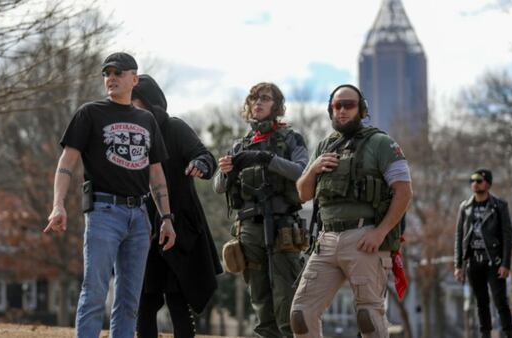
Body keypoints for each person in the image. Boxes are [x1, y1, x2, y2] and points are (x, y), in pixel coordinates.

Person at [44, 52, 176, 338]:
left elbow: (156, 174)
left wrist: (166, 218)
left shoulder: (147, 120)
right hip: (104, 212)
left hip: (140, 218)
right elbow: (66, 162)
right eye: (107, 73)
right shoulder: (90, 113)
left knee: (130, 300)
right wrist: (58, 205)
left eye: (118, 72)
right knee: (94, 292)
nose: (111, 78)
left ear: (134, 79)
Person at [290, 84, 412, 338]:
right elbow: (302, 193)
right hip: (326, 241)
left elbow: (404, 192)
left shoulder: (381, 143)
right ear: (330, 110)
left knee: (368, 317)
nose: (342, 110)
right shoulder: (325, 146)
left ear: (362, 109)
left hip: (364, 238)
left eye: (349, 105)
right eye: (337, 106)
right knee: (301, 315)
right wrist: (313, 169)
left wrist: (380, 233)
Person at [213, 82, 308, 337]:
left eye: (264, 98)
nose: (257, 103)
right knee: (260, 301)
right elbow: (219, 187)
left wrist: (268, 159)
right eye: (254, 98)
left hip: (282, 226)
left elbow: (302, 171)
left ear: (276, 106)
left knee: (286, 297)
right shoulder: (240, 144)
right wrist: (226, 170)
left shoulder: (290, 138)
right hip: (249, 230)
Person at [131, 74, 223, 338]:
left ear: (150, 104)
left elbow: (205, 155)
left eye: (135, 103)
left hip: (180, 223)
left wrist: (201, 165)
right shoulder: (127, 132)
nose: (131, 109)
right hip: (142, 224)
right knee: (145, 300)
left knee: (177, 297)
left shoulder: (174, 128)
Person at [454, 169, 512, 338]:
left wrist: (505, 263)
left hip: (494, 262)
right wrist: (458, 265)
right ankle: (485, 335)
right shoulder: (464, 207)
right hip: (473, 262)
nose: (475, 183)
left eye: (479, 180)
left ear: (487, 184)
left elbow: (507, 235)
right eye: (472, 180)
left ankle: (508, 333)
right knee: (481, 302)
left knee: (500, 301)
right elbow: (459, 236)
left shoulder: (499, 206)